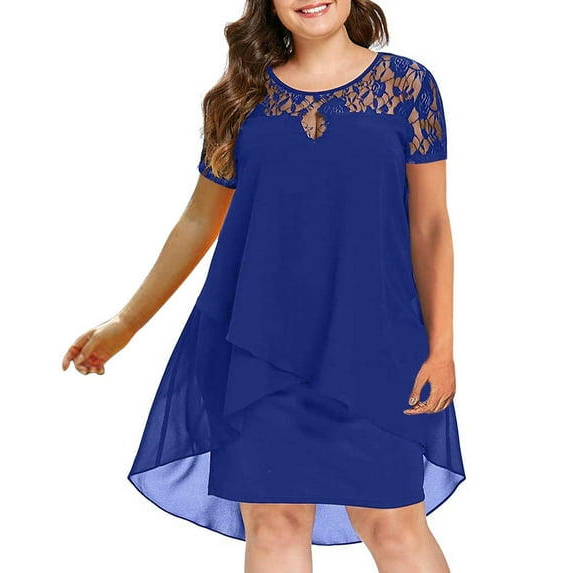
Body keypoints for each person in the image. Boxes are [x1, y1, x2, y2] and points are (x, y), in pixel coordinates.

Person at [62, 1, 466, 571]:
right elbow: (199, 221)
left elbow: (430, 226)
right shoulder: (241, 97)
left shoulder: (408, 87)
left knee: (393, 522)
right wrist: (127, 322)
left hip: (376, 344)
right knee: (274, 522)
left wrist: (442, 349)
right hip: (256, 350)